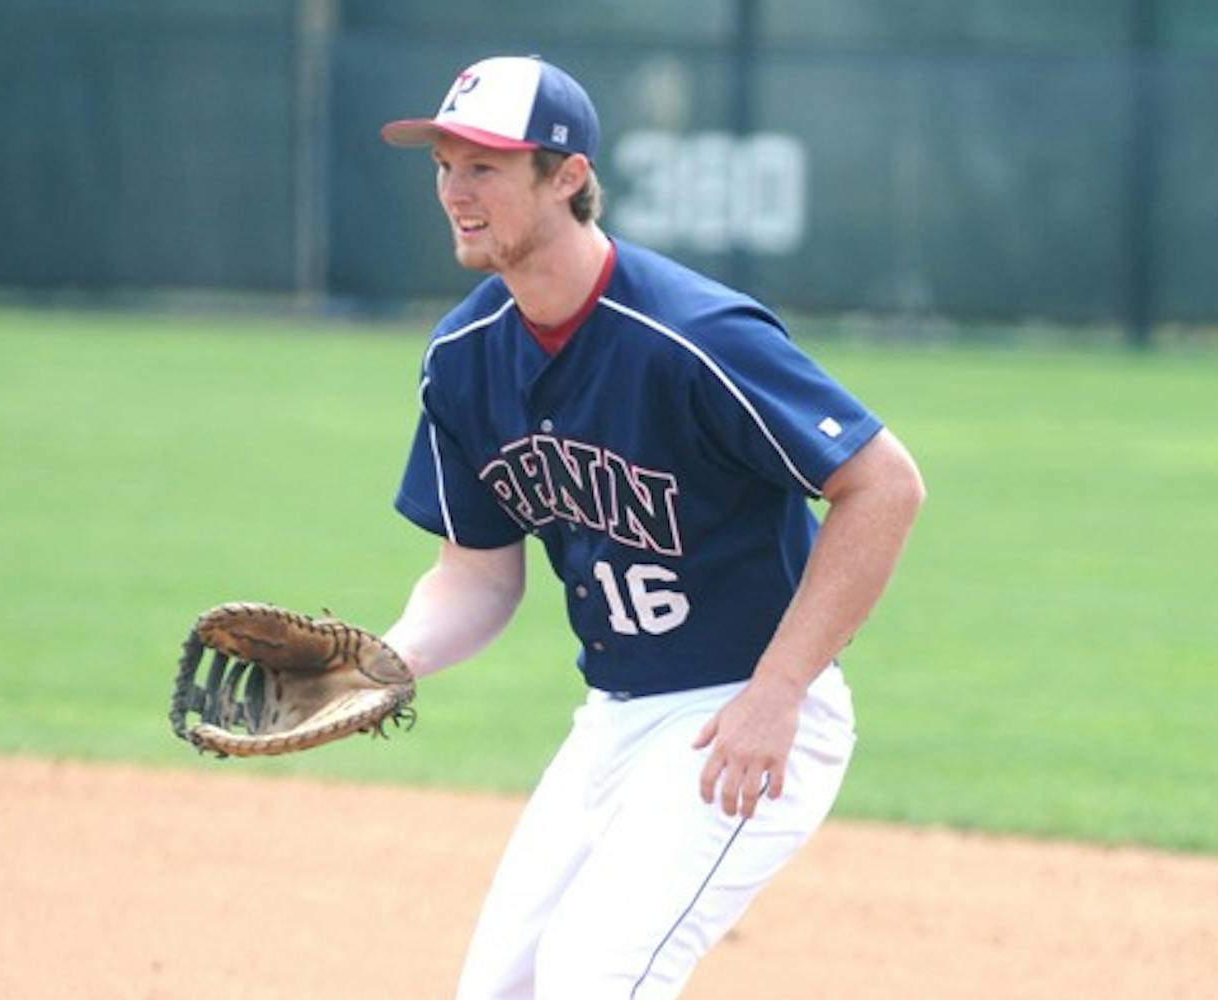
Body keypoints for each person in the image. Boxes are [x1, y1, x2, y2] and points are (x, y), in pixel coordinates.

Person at [379, 55, 925, 1000]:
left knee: (596, 979)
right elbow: (476, 576)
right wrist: (384, 662)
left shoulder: (693, 335)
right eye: (444, 164)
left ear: (569, 177)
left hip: (742, 716)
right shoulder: (464, 357)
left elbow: (884, 486)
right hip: (613, 721)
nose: (455, 192)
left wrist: (778, 690)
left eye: (486, 168)